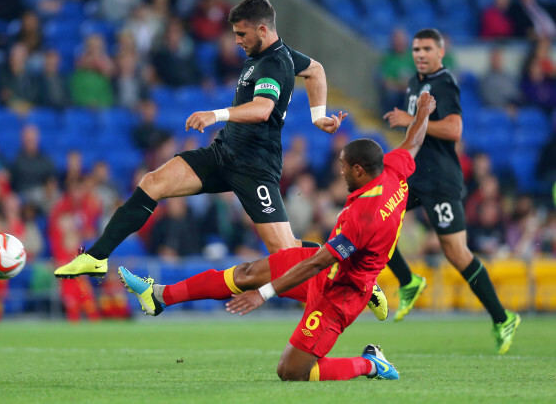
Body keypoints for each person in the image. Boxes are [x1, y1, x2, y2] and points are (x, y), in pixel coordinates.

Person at [52, 0, 390, 317]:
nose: (237, 41)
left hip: (254, 166)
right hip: (223, 152)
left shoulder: (273, 62)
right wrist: (318, 115)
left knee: (286, 256)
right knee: (153, 181)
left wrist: (216, 114)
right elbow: (315, 70)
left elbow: (261, 109)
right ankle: (97, 256)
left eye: (242, 34)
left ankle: (356, 275)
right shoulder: (271, 55)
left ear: (262, 29)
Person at [116, 92, 437, 382]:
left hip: (342, 291)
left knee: (292, 371)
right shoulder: (392, 170)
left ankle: (371, 364)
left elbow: (319, 263)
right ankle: (159, 296)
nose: (338, 172)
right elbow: (413, 142)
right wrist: (422, 113)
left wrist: (264, 294)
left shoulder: (361, 217)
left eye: (342, 167)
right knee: (246, 273)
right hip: (329, 267)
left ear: (358, 170)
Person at [382, 28, 520, 354]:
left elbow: (455, 129)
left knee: (456, 253)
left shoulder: (444, 83)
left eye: (427, 48)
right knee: (378, 221)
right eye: (416, 48)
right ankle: (408, 281)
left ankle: (503, 318)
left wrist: (412, 118)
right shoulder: (414, 83)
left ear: (440, 53)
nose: (420, 53)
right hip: (416, 174)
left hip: (440, 179)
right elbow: (417, 133)